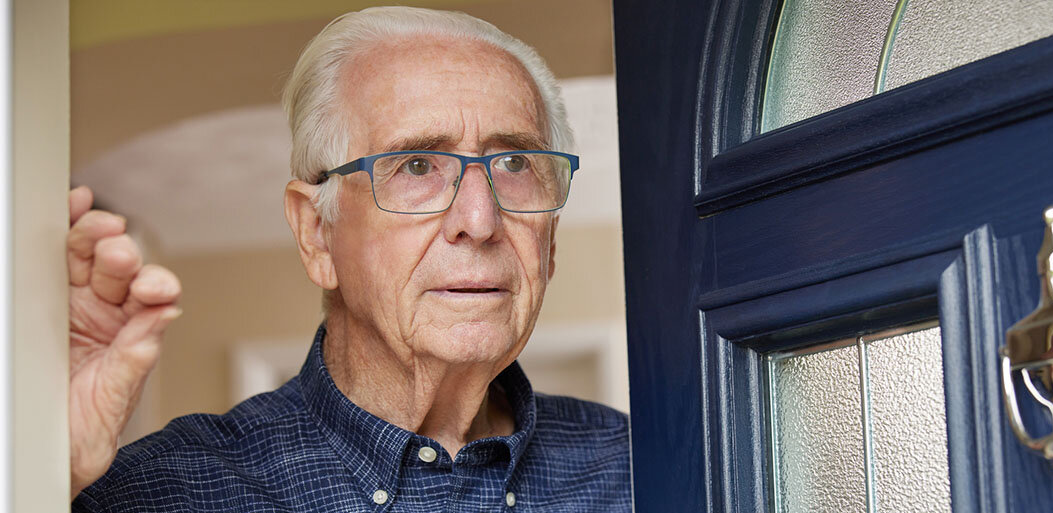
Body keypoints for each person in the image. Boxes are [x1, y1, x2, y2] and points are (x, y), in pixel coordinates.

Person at [68, 6, 631, 511]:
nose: (480, 223)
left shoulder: (644, 467)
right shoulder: (158, 494)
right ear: (317, 233)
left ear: (550, 238)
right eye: (416, 167)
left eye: (514, 164)